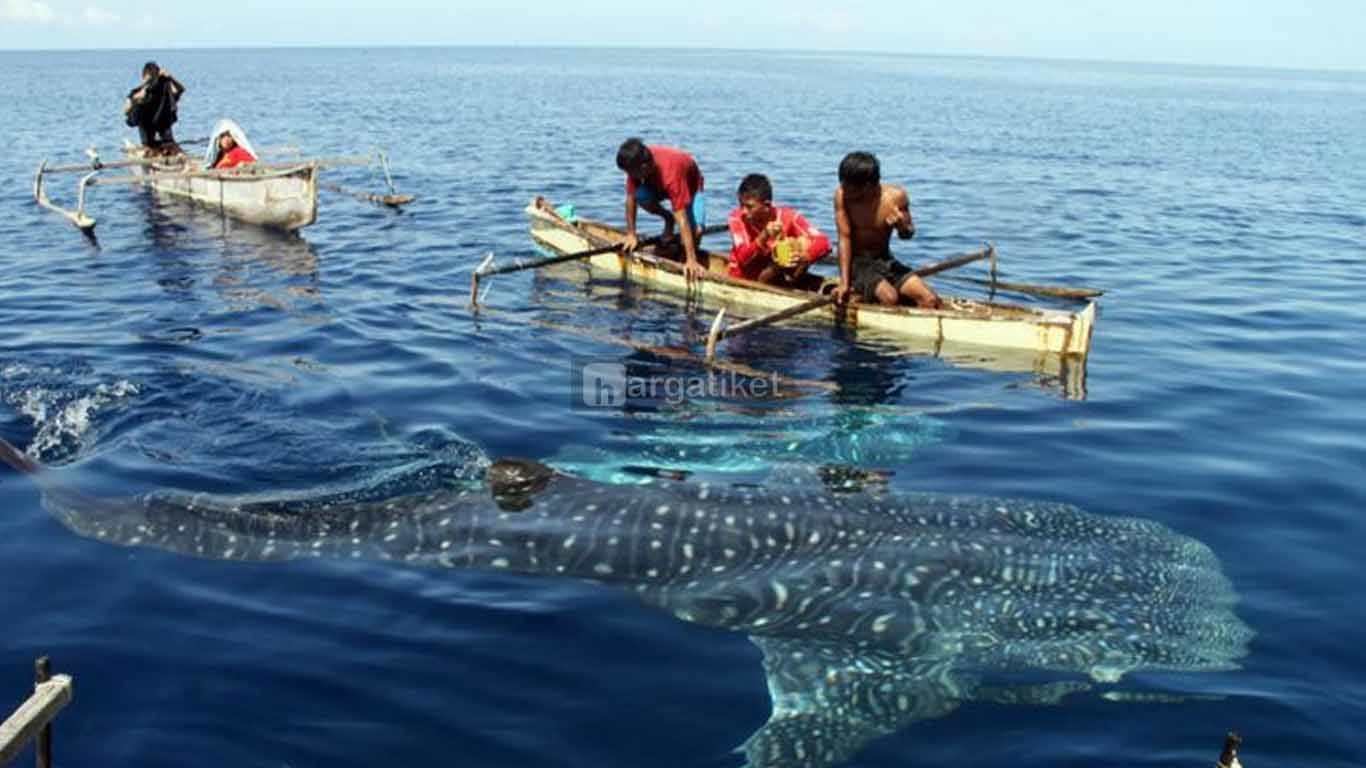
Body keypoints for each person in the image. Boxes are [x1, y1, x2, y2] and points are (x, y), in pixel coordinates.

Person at [832, 151, 942, 308]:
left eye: (849, 187)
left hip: (885, 260)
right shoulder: (841, 196)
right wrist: (844, 283)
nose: (844, 189)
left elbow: (907, 234)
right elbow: (844, 238)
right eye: (843, 183)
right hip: (857, 264)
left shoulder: (896, 197)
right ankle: (862, 293)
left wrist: (901, 226)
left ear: (868, 186)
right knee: (890, 298)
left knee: (929, 299)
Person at [615, 138, 707, 280]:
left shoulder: (671, 174)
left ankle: (689, 259)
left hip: (691, 185)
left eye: (631, 173)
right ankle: (668, 219)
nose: (629, 177)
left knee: (697, 231)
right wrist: (631, 234)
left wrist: (691, 259)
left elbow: (682, 218)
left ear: (644, 167)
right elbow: (630, 199)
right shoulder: (634, 165)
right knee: (641, 195)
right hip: (657, 184)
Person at [727, 173, 831, 286]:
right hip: (744, 276)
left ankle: (790, 282)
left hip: (777, 275)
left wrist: (806, 257)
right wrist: (764, 236)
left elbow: (823, 242)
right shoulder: (736, 218)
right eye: (741, 205)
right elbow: (743, 258)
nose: (744, 211)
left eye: (749, 207)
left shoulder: (788, 216)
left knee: (804, 242)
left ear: (766, 205)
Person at [124, 61, 186, 155]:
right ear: (143, 77)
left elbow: (180, 90)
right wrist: (135, 100)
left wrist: (171, 78)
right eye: (149, 80)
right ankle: (148, 151)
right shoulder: (137, 92)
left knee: (171, 149)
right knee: (149, 151)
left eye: (154, 79)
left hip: (164, 130)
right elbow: (126, 111)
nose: (151, 83)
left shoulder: (163, 91)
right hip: (148, 132)